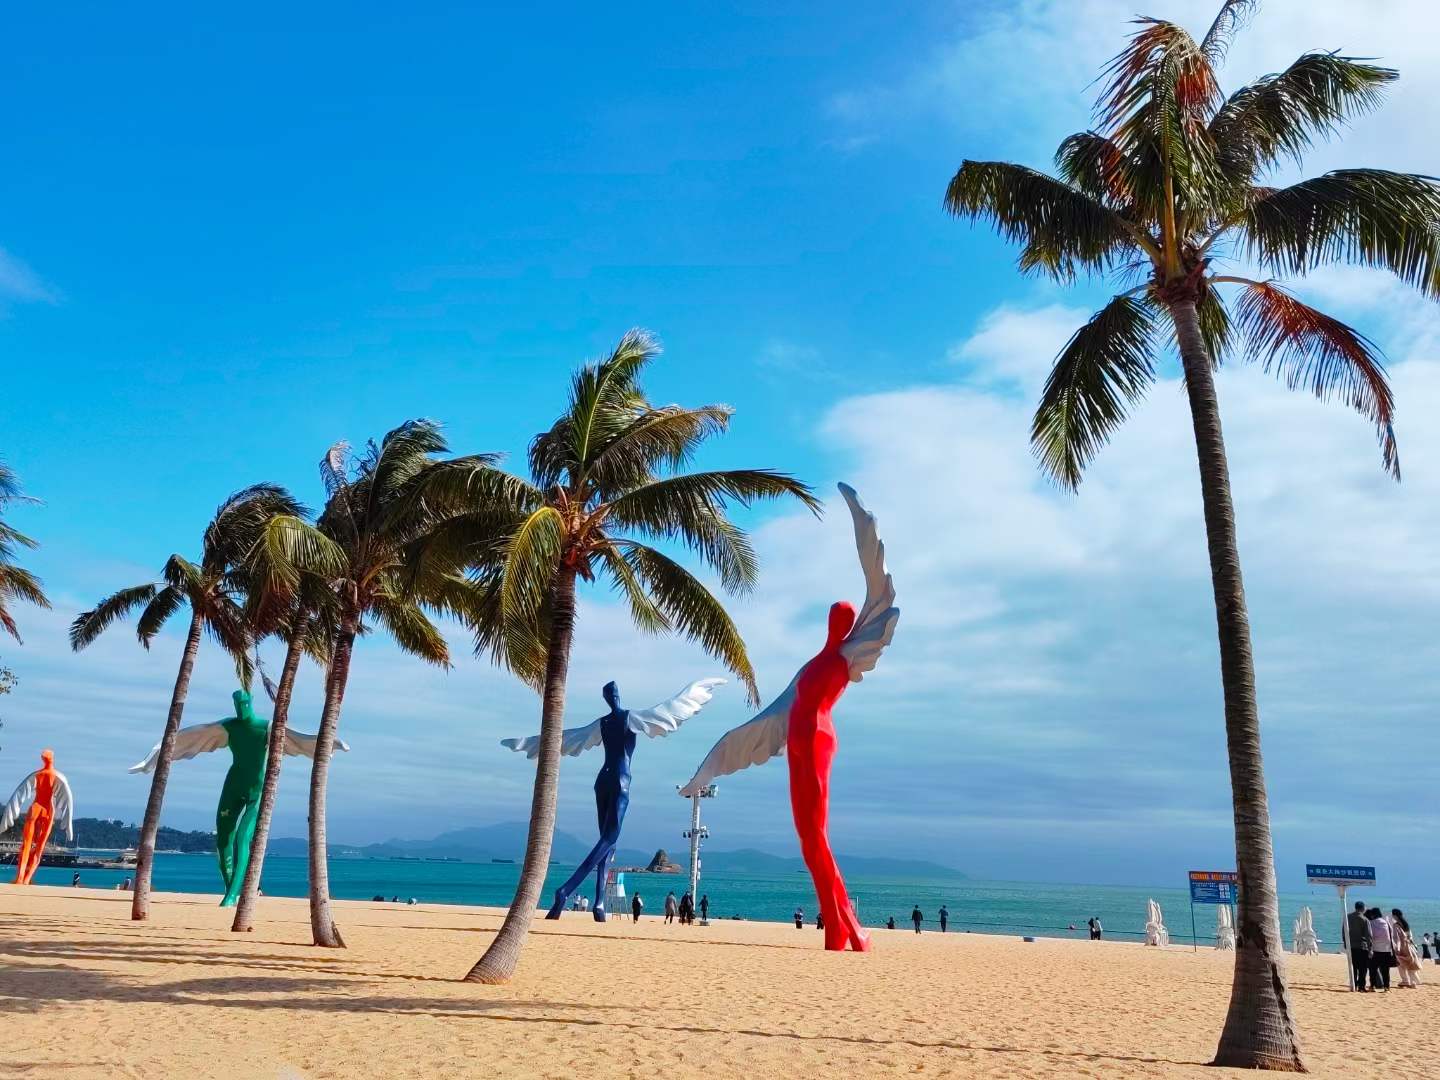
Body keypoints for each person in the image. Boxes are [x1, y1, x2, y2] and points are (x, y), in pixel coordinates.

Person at [1391, 909, 1422, 989]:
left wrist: (1396, 948)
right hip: (1409, 947)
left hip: (1401, 947)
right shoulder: (1406, 924)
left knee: (1400, 964)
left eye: (1393, 915)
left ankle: (1405, 981)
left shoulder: (1396, 925)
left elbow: (1396, 938)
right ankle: (1413, 982)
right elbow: (1410, 936)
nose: (1392, 916)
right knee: (1410, 964)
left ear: (1395, 916)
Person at [1347, 901, 1374, 991]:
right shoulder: (1365, 920)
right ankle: (1361, 986)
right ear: (1363, 908)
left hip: (1351, 946)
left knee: (1354, 967)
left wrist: (1345, 943)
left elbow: (1344, 931)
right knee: (1363, 968)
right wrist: (1370, 949)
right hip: (1362, 946)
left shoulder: (1348, 917)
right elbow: (1368, 935)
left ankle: (1354, 984)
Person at [1367, 907, 1393, 991]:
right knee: (1385, 970)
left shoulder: (1371, 923)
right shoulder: (1386, 922)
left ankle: (1372, 986)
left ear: (1373, 915)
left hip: (1375, 949)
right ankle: (1387, 987)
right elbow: (1391, 934)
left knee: (1373, 970)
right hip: (1386, 949)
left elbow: (1370, 935)